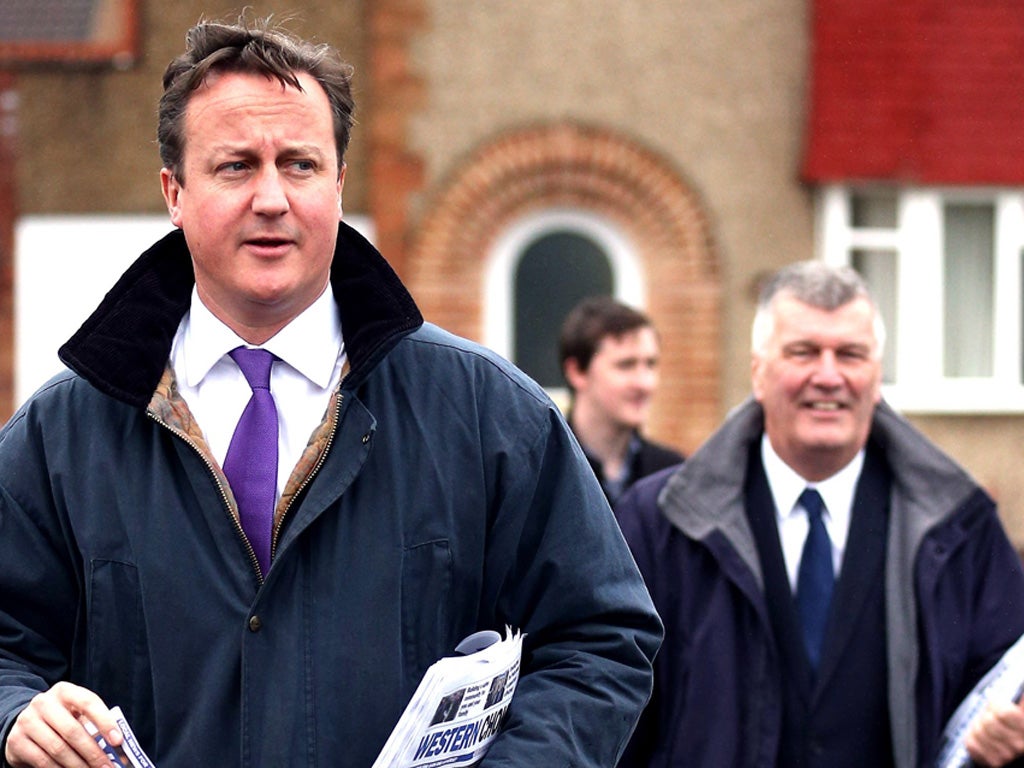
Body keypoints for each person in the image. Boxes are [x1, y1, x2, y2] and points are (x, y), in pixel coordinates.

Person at [0, 18, 662, 767]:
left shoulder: (486, 413)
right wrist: (17, 714)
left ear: (340, 184)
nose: (273, 198)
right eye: (236, 167)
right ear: (174, 192)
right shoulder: (66, 433)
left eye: (302, 165)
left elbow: (600, 640)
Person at [614, 260, 1024, 768]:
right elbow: (614, 705)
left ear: (877, 378)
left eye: (850, 355)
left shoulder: (959, 529)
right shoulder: (660, 525)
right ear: (758, 373)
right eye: (803, 352)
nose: (828, 377)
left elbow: (1005, 684)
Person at [558, 296, 683, 505]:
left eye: (650, 364)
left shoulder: (673, 477)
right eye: (626, 365)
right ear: (577, 372)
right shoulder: (543, 473)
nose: (645, 383)